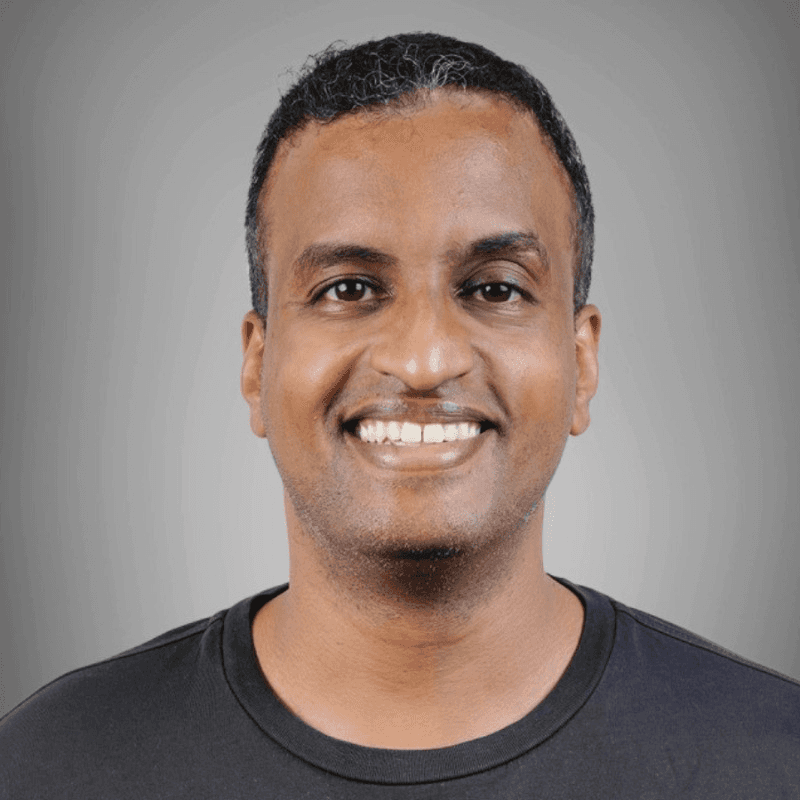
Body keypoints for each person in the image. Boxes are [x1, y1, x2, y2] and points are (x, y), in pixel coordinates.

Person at [1, 31, 798, 798]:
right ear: (256, 364)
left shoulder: (774, 760)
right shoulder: (47, 767)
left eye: (495, 288)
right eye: (348, 288)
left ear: (582, 361)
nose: (423, 360)